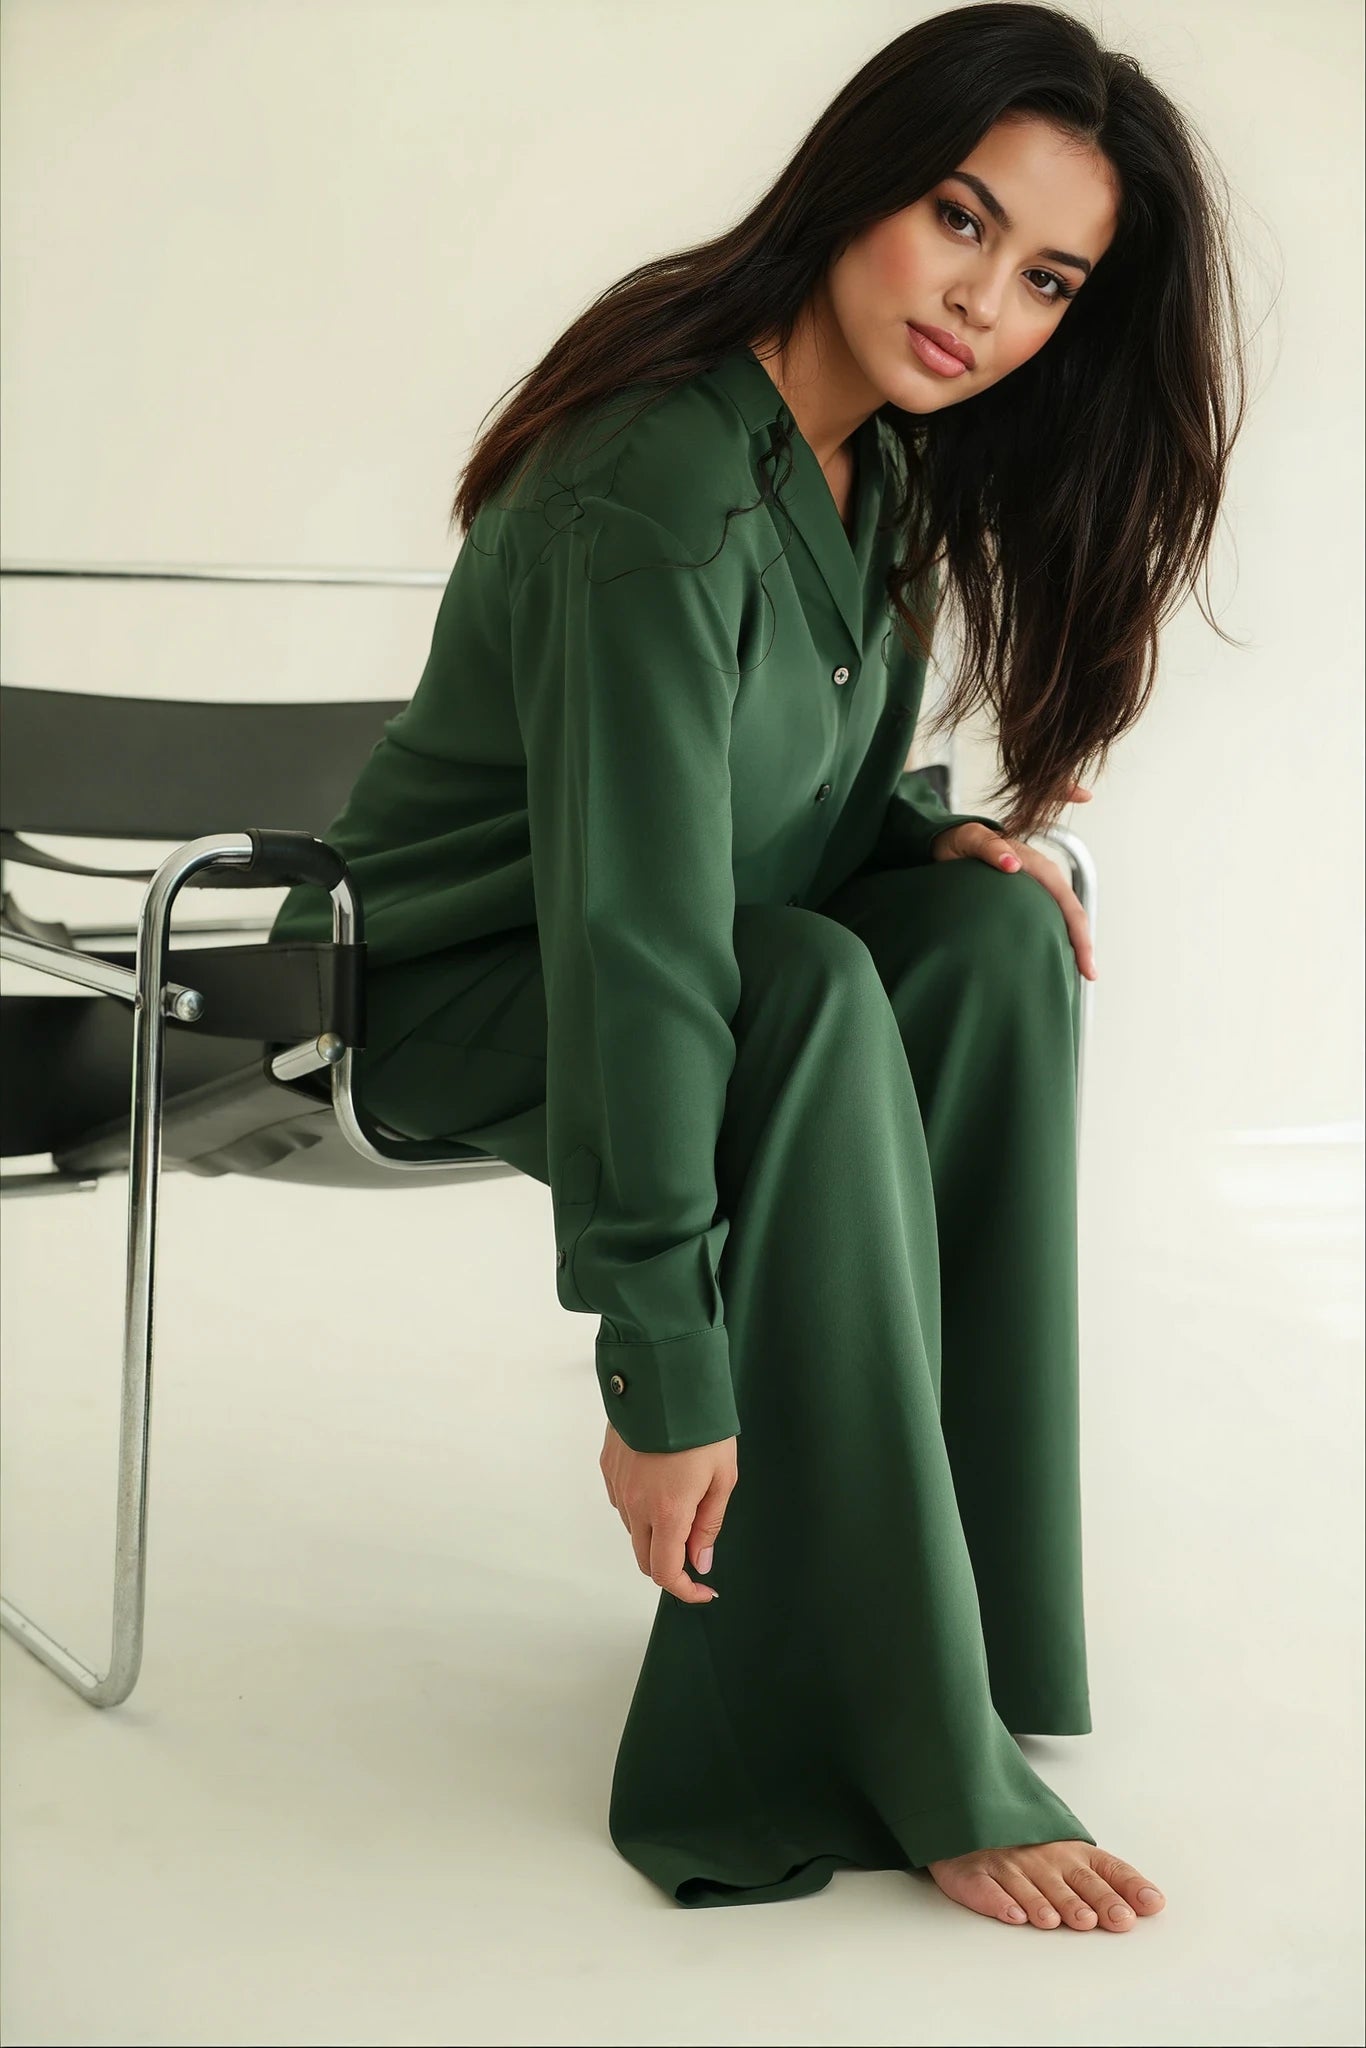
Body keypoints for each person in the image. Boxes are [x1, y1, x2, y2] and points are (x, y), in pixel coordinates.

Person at [270, 1, 1249, 1922]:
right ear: (861, 180)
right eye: (960, 221)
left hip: (626, 963)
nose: (985, 302)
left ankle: (947, 1633)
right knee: (792, 981)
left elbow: (754, 806)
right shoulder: (655, 487)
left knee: (976, 935)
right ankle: (850, 1725)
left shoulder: (856, 466)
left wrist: (922, 838)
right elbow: (647, 934)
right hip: (434, 994)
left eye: (1046, 276)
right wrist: (661, 1366)